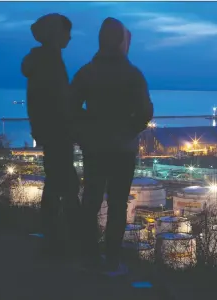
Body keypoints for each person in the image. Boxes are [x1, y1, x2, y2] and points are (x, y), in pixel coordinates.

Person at [71, 17, 153, 274]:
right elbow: (145, 111)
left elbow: (69, 107)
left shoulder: (86, 72)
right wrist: (128, 129)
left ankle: (89, 257)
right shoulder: (132, 74)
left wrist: (87, 130)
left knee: (91, 200)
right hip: (122, 149)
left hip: (94, 147)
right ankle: (112, 261)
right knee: (118, 205)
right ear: (121, 41)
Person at [21, 13, 81, 259]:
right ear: (57, 34)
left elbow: (40, 101)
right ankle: (72, 239)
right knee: (66, 183)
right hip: (58, 132)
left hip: (51, 132)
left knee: (57, 182)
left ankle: (55, 235)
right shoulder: (50, 62)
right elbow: (57, 101)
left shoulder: (45, 60)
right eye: (67, 31)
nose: (70, 36)